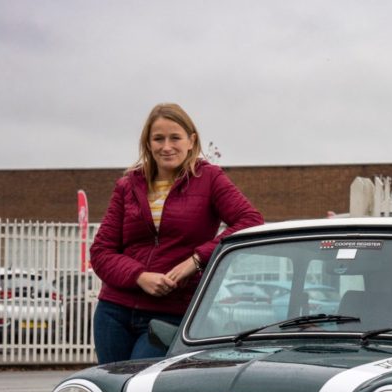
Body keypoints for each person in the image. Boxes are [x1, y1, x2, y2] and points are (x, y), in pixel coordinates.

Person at [89, 103, 263, 364]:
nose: (166, 146)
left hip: (170, 313)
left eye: (175, 138)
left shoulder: (211, 178)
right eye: (158, 139)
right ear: (148, 143)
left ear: (191, 141)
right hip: (113, 311)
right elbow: (101, 252)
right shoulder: (128, 185)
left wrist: (195, 261)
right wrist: (139, 276)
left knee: (139, 383)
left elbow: (250, 221)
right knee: (111, 391)